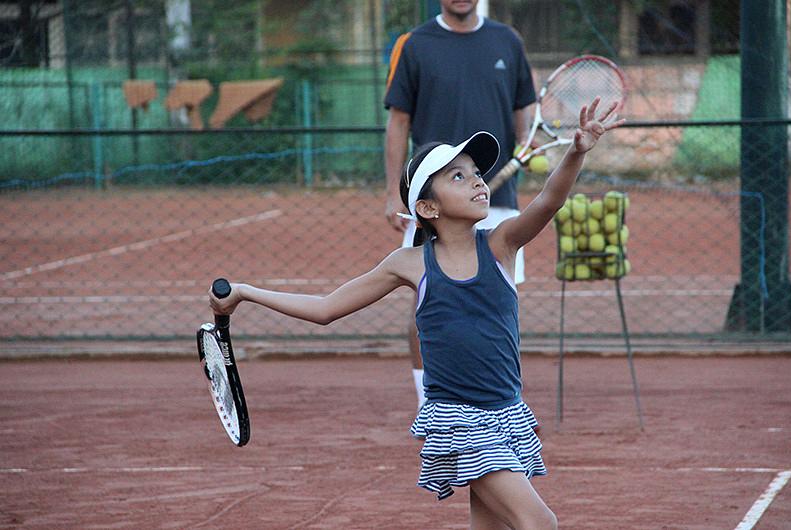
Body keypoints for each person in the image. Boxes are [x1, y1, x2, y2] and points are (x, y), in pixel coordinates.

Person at [209, 97, 624, 528]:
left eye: (477, 174)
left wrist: (576, 151)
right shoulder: (408, 264)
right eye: (458, 177)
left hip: (506, 410)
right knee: (540, 522)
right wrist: (245, 292)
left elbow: (549, 201)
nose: (478, 182)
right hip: (459, 419)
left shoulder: (502, 244)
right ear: (427, 208)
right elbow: (325, 309)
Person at [383, 0, 536, 410]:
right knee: (425, 298)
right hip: (432, 199)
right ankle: (428, 401)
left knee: (500, 304)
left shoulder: (508, 40)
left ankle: (506, 399)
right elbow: (399, 121)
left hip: (494, 198)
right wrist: (393, 193)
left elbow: (525, 107)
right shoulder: (415, 44)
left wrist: (526, 141)